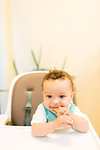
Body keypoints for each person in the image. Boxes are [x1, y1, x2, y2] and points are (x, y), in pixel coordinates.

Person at [31, 70, 89, 137]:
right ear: (43, 95)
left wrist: (70, 115)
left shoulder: (72, 110)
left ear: (71, 97)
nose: (55, 102)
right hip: (48, 141)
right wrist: (54, 124)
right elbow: (35, 131)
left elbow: (85, 128)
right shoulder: (43, 109)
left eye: (61, 96)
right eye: (49, 96)